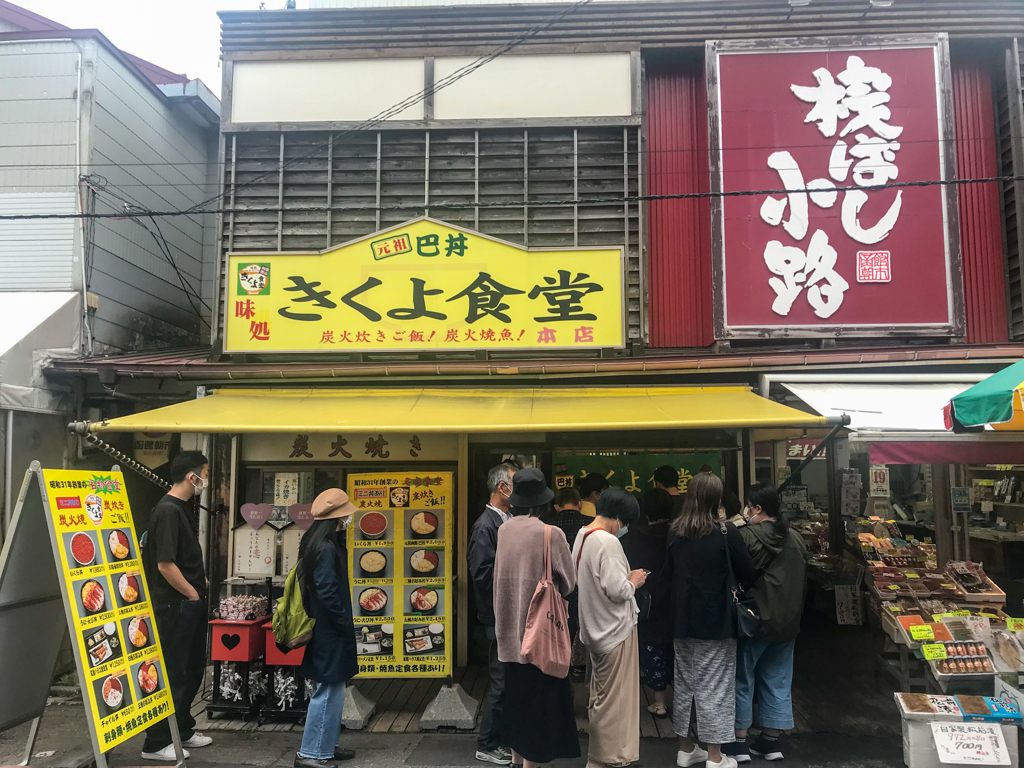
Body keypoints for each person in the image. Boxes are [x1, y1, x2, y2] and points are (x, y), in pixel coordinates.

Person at [667, 472, 757, 768]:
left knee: (684, 685)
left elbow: (668, 574)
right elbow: (746, 572)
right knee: (715, 688)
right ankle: (716, 757)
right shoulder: (724, 532)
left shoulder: (674, 531)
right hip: (717, 620)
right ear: (716, 499)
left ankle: (685, 749)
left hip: (681, 619)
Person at [494, 468, 580, 768]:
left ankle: (518, 761)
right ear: (543, 500)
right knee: (539, 707)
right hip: (540, 634)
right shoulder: (550, 534)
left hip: (508, 633)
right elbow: (569, 582)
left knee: (517, 702)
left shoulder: (504, 530)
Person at [724, 485, 808, 764]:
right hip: (788, 623)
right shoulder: (795, 538)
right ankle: (770, 742)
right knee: (778, 678)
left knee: (742, 679)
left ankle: (738, 742)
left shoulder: (745, 536)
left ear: (757, 509)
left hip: (753, 620)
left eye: (749, 506)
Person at [141, 451, 214, 761]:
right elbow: (164, 564)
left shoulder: (182, 507)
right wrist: (192, 594)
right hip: (175, 605)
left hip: (188, 602)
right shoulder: (169, 510)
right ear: (192, 476)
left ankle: (182, 729)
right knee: (172, 671)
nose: (206, 481)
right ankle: (156, 742)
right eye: (206, 474)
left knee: (193, 666)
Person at [573, 488, 647, 768]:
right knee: (615, 704)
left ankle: (603, 757)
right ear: (617, 517)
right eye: (625, 523)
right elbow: (618, 590)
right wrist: (634, 580)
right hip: (614, 630)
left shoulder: (582, 536)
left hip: (592, 628)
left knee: (601, 697)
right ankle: (605, 759)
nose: (624, 529)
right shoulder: (608, 542)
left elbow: (578, 578)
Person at [295, 488, 359, 768]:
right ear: (338, 516)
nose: (349, 518)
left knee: (334, 688)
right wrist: (344, 622)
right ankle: (311, 753)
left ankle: (325, 745)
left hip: (325, 627)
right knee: (328, 690)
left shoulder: (316, 541)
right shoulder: (326, 547)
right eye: (346, 514)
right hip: (329, 629)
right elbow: (327, 590)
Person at [467, 463, 517, 766]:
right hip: (497, 615)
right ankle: (487, 743)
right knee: (501, 679)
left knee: (508, 678)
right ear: (502, 488)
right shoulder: (485, 526)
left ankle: (501, 737)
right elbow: (481, 574)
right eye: (515, 484)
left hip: (507, 612)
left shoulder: (506, 519)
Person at [619, 488, 674, 718]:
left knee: (651, 648)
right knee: (676, 650)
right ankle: (682, 701)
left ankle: (659, 702)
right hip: (675, 600)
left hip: (646, 601)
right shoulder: (678, 534)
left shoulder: (631, 537)